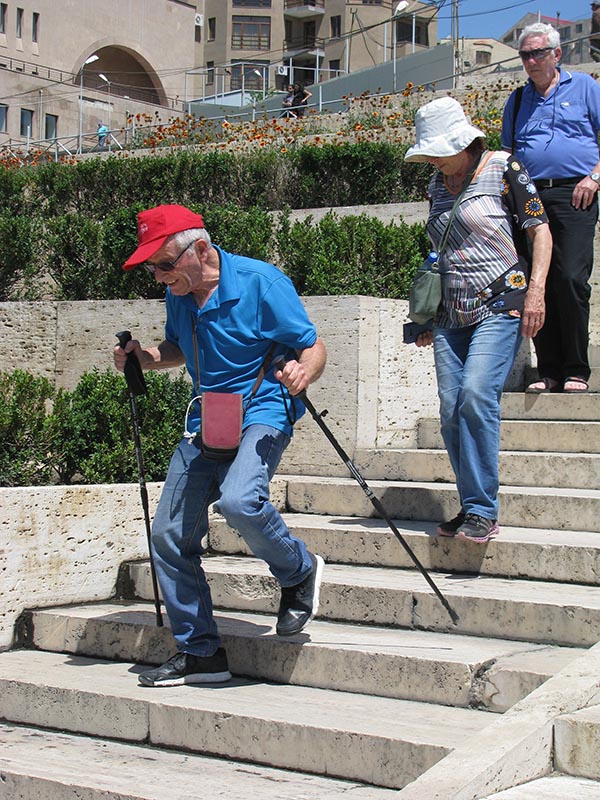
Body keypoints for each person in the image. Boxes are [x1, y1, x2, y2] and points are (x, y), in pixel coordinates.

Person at [113, 204, 327, 687]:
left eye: (164, 264)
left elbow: (313, 346)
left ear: (201, 251)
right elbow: (175, 349)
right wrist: (142, 357)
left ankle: (297, 570)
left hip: (264, 409)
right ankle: (201, 653)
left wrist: (302, 371)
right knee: (168, 535)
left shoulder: (261, 283)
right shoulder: (180, 294)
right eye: (151, 267)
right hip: (209, 418)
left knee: (240, 500)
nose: (158, 276)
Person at [405, 98, 552, 543]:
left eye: (438, 150)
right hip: (450, 311)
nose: (432, 159)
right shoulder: (436, 182)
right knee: (451, 411)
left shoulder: (504, 167)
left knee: (475, 394)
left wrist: (536, 291)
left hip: (500, 302)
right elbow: (439, 250)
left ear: (463, 142)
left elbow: (539, 230)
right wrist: (426, 315)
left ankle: (484, 510)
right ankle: (472, 507)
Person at [501, 23, 600, 394]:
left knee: (571, 278)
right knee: (537, 283)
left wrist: (594, 178)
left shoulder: (586, 87)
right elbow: (509, 154)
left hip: (577, 192)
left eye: (537, 52)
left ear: (556, 54)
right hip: (530, 196)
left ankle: (576, 368)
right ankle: (549, 370)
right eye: (525, 54)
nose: (530, 60)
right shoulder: (518, 99)